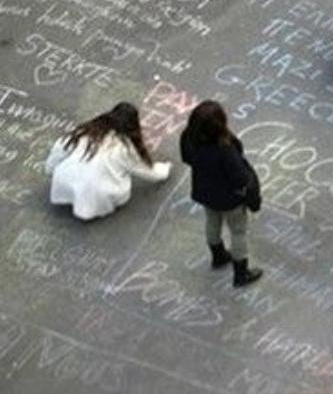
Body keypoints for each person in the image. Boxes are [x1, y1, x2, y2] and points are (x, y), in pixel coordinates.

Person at [180, 101, 263, 287]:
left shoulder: (188, 138)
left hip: (205, 193)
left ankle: (218, 255)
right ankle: (241, 274)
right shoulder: (224, 148)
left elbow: (186, 158)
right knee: (238, 232)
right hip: (230, 199)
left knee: (212, 221)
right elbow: (240, 177)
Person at [45, 103, 171, 221]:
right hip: (96, 197)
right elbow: (147, 171)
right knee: (117, 182)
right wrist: (165, 169)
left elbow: (60, 148)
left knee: (85, 176)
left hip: (65, 181)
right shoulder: (124, 148)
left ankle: (71, 195)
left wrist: (51, 168)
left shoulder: (87, 131)